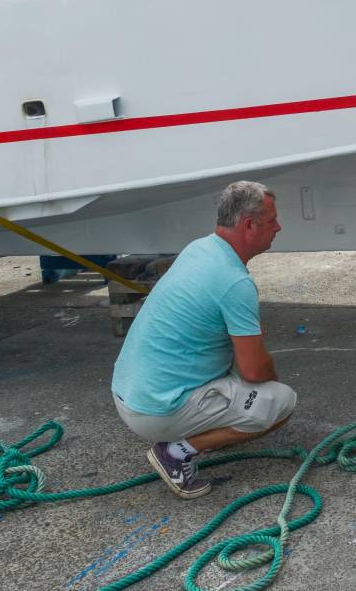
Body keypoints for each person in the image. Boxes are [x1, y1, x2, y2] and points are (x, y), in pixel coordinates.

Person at [110, 181, 296, 499]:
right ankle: (176, 452)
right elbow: (254, 371)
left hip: (129, 393)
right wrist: (264, 385)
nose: (278, 227)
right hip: (156, 411)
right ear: (249, 225)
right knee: (279, 401)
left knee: (248, 384)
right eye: (272, 220)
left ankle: (198, 431)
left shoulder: (200, 249)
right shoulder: (234, 282)